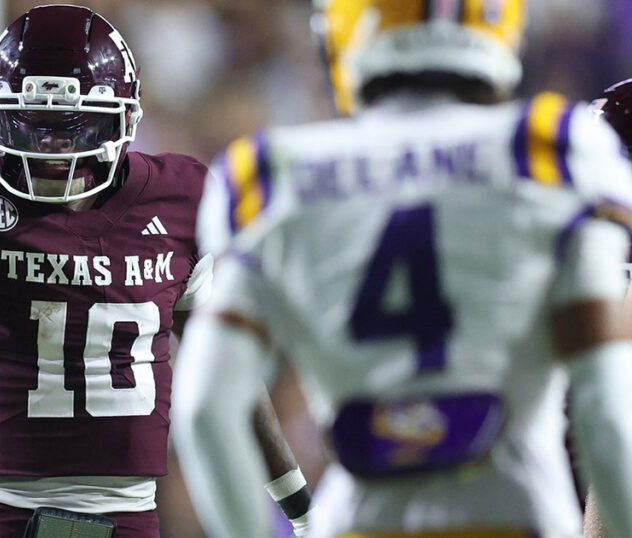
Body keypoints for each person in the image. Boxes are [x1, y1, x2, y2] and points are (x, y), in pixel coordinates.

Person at [0, 5, 311, 537]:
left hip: (130, 514)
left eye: (72, 127)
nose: (51, 146)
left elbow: (225, 376)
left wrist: (299, 508)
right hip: (5, 513)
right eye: (32, 126)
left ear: (123, 119)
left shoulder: (178, 201)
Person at [172, 1, 632, 537]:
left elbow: (205, 411)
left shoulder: (271, 174)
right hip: (515, 514)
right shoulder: (553, 151)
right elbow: (605, 405)